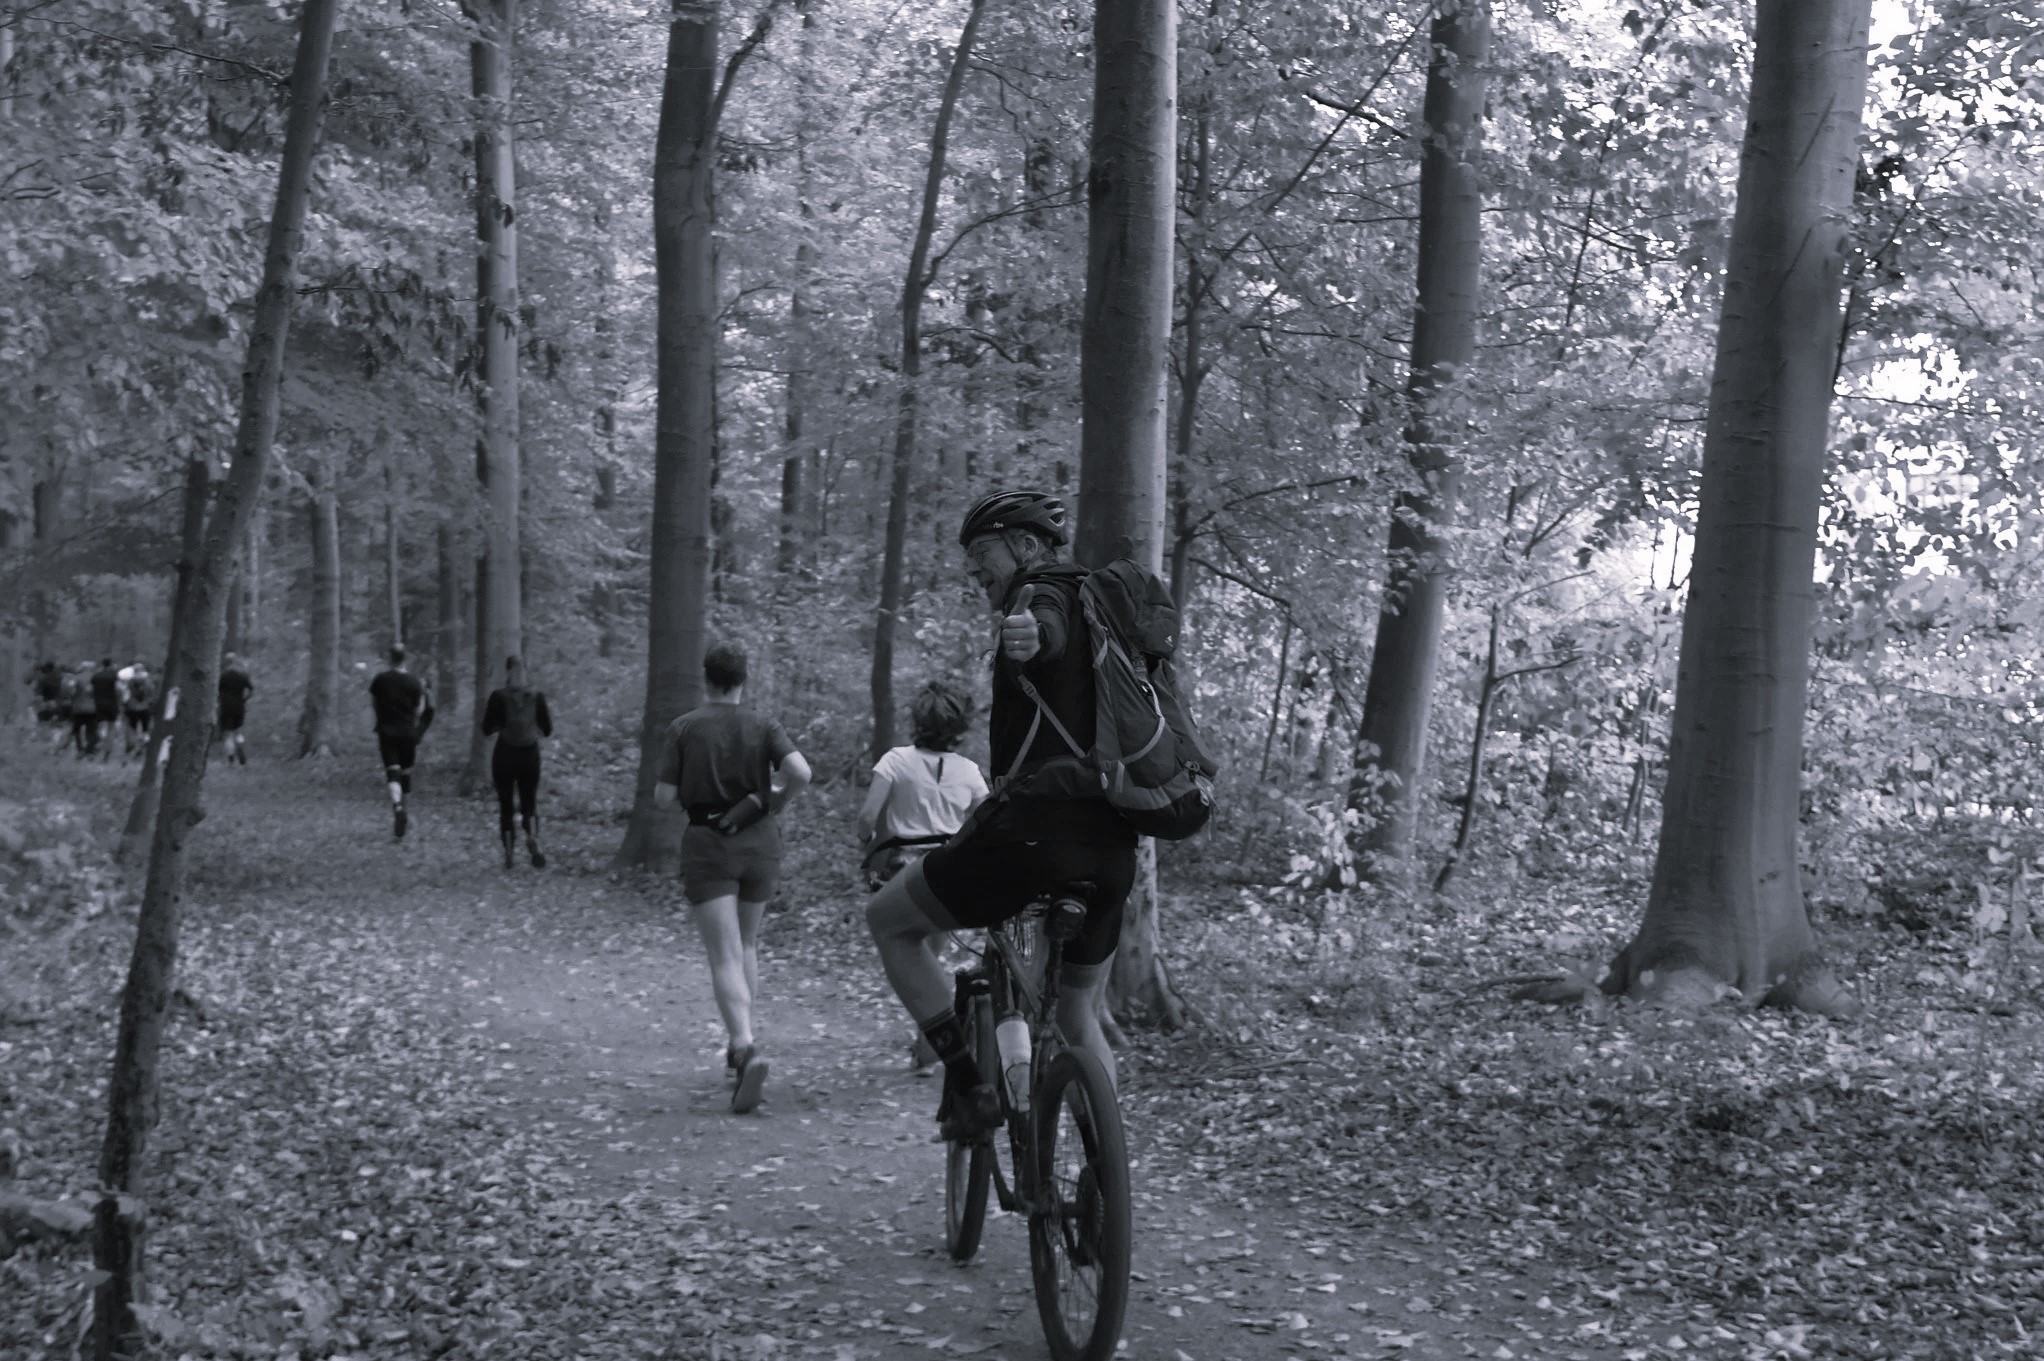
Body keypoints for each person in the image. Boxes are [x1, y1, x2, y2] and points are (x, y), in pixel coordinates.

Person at [865, 490, 1138, 1140]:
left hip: (1033, 833)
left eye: (982, 551)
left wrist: (1032, 637)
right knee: (1078, 1015)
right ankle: (1104, 1176)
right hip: (1113, 842)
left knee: (888, 921)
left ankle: (970, 1086)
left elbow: (1045, 628)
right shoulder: (1109, 612)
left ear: (1025, 545)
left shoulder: (1041, 594)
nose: (972, 568)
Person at [654, 643, 812, 1115]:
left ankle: (743, 1046)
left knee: (723, 954)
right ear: (743, 679)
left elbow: (663, 798)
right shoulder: (764, 724)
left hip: (708, 845)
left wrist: (692, 790)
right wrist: (776, 800)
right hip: (760, 841)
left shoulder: (684, 727)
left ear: (707, 679)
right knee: (746, 944)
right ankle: (740, 1040)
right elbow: (800, 772)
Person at [857, 680, 988, 890]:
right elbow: (985, 824)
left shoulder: (895, 760)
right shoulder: (970, 770)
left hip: (903, 865)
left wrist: (865, 840)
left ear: (918, 721)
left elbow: (867, 817)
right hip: (948, 865)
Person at [481, 655, 553, 870]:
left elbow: (486, 729)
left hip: (504, 754)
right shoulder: (537, 696)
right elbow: (547, 729)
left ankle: (509, 852)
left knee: (506, 804)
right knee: (529, 801)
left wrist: (499, 726)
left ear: (507, 672)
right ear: (526, 671)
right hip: (530, 755)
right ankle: (532, 836)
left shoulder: (498, 696)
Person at [368, 644, 431, 840]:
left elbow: (374, 703)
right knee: (406, 773)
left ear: (390, 658)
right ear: (405, 658)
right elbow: (420, 710)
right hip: (408, 733)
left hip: (386, 731)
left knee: (392, 772)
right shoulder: (414, 682)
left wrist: (382, 717)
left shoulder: (380, 680)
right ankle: (405, 811)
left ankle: (397, 807)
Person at [217, 653, 254, 765]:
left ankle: (231, 757)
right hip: (239, 706)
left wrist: (219, 700)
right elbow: (251, 690)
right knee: (238, 731)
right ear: (235, 661)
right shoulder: (242, 675)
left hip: (225, 707)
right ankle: (240, 746)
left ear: (226, 662)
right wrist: (244, 700)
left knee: (227, 733)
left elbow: (217, 691)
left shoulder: (222, 676)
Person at [121, 662, 155, 757]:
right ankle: (143, 744)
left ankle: (133, 746)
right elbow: (152, 695)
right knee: (145, 728)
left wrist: (125, 705)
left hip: (132, 708)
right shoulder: (148, 682)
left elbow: (125, 696)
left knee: (133, 728)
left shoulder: (129, 682)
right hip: (145, 708)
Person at [90, 658, 121, 761]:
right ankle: (108, 750)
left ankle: (100, 741)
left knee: (100, 726)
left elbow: (90, 690)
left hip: (98, 704)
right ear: (111, 665)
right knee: (111, 727)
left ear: (102, 664)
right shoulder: (114, 676)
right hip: (112, 704)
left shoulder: (96, 676)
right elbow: (118, 690)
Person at [67, 662, 99, 758]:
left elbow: (71, 692)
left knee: (77, 729)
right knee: (91, 729)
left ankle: (80, 749)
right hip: (92, 708)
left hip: (78, 708)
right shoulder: (95, 677)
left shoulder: (76, 678)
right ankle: (90, 750)